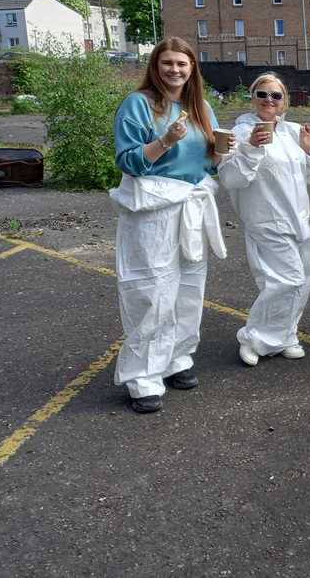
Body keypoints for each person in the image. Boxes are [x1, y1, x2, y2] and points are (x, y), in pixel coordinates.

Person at [111, 37, 233, 414]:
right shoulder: (139, 104)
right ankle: (143, 376)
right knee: (152, 291)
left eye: (182, 64)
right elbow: (128, 161)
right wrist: (164, 140)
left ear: (193, 68)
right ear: (155, 65)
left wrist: (239, 146)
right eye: (168, 63)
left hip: (190, 207)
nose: (175, 70)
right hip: (153, 212)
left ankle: (178, 357)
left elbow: (211, 160)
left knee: (189, 290)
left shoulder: (201, 107)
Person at [219, 73, 310, 366]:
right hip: (266, 221)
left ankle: (285, 335)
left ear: (284, 100)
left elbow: (307, 176)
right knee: (285, 281)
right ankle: (253, 338)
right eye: (262, 94)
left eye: (276, 96)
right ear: (253, 97)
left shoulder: (291, 131)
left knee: (303, 280)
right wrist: (251, 147)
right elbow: (230, 179)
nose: (269, 100)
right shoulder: (239, 132)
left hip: (298, 218)